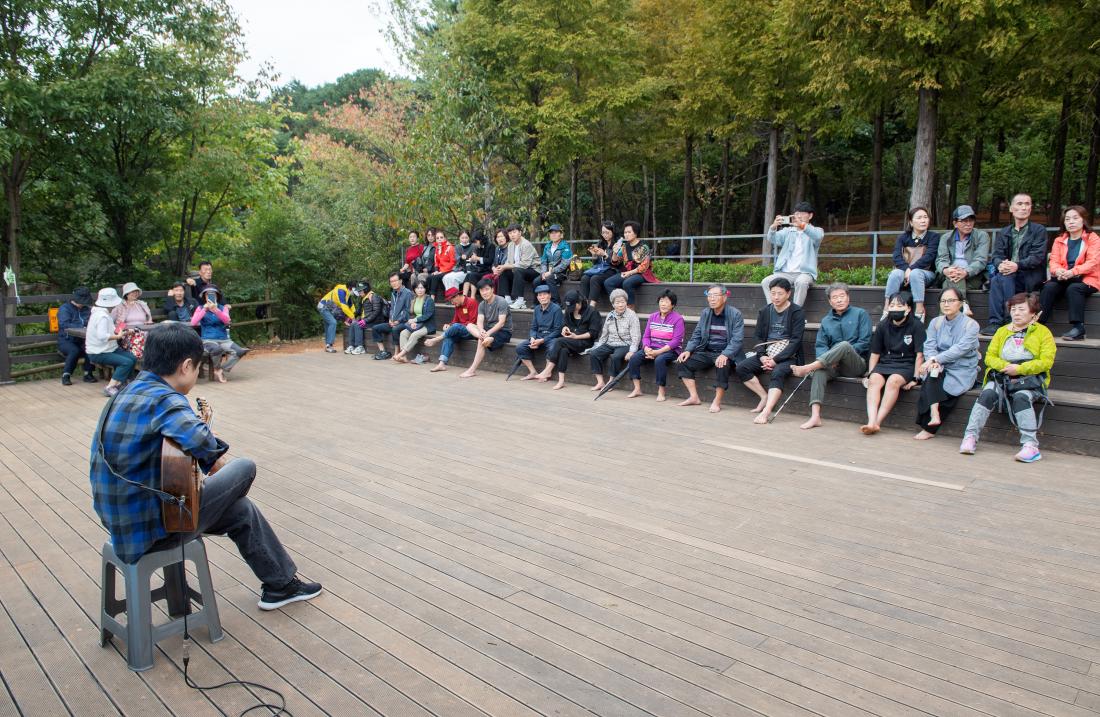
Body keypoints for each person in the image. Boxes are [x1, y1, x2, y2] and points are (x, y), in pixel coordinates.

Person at [89, 321, 321, 610]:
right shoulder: (166, 400)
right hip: (153, 527)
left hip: (119, 520)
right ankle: (281, 584)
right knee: (243, 468)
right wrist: (214, 475)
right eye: (198, 368)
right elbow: (205, 447)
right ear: (186, 366)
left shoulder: (125, 392)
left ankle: (281, 586)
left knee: (240, 510)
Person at [960, 292, 1056, 462]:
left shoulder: (1043, 333)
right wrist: (1005, 367)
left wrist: (1021, 368)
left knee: (1021, 397)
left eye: (1021, 309)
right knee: (987, 394)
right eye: (1013, 309)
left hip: (1030, 380)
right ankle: (970, 437)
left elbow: (1046, 361)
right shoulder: (1002, 331)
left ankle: (1030, 446)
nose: (1016, 313)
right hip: (1001, 376)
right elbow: (990, 357)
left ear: (1033, 312)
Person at [791, 282, 872, 429]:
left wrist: (839, 355)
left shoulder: (861, 314)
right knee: (819, 371)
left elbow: (864, 342)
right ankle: (815, 416)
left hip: (856, 364)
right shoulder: (826, 321)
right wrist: (830, 359)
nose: (839, 300)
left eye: (842, 296)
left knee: (844, 345)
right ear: (830, 301)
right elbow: (821, 345)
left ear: (848, 297)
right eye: (835, 297)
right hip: (833, 365)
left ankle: (809, 367)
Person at [913, 286, 980, 440]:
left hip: (962, 367)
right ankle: (934, 416)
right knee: (933, 376)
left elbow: (960, 349)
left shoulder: (971, 325)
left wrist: (935, 359)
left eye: (951, 300)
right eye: (943, 301)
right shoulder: (936, 322)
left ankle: (930, 427)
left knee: (946, 390)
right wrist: (933, 361)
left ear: (961, 303)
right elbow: (929, 345)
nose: (946, 304)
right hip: (938, 364)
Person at [737, 278, 805, 424]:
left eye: (780, 293)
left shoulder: (797, 312)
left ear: (788, 294)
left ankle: (766, 411)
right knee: (742, 367)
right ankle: (764, 396)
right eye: (773, 293)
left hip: (789, 356)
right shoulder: (765, 311)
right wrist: (762, 356)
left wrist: (775, 360)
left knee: (778, 372)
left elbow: (796, 341)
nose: (776, 297)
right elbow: (759, 337)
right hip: (767, 353)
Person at [861, 292, 926, 435]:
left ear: (908, 308)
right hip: (887, 361)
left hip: (907, 364)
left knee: (893, 381)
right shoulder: (883, 325)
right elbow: (875, 353)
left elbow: (919, 355)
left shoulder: (917, 326)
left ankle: (877, 422)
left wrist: (916, 378)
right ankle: (871, 421)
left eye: (899, 305)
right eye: (892, 305)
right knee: (874, 380)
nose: (895, 308)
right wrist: (871, 373)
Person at [983, 193, 1048, 335]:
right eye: (1019, 204)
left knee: (1002, 278)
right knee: (997, 278)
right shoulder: (1005, 231)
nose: (1023, 207)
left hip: (1030, 276)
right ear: (1011, 208)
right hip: (1008, 275)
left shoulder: (1038, 230)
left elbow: (1037, 257)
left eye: (1027, 204)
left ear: (1030, 208)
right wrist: (1000, 264)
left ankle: (1006, 321)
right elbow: (997, 255)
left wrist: (1016, 265)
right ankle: (996, 322)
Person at [676, 284, 745, 413]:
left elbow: (737, 339)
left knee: (722, 365)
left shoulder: (735, 314)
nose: (712, 299)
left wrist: (725, 354)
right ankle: (694, 397)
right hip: (707, 351)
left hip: (726, 353)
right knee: (683, 362)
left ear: (724, 297)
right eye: (709, 295)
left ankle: (717, 401)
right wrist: (688, 350)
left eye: (715, 295)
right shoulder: (706, 313)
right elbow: (697, 334)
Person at [1039, 205, 1099, 340]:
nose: (1071, 222)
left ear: (1083, 220)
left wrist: (1073, 272)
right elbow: (1053, 261)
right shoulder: (1059, 240)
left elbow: (1093, 262)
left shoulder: (1092, 238)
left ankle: (1078, 328)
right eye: (1067, 219)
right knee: (1049, 287)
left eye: (1075, 218)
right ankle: (1038, 325)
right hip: (1064, 277)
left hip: (1087, 279)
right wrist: (1057, 270)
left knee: (1074, 288)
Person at [535, 290, 602, 389]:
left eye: (572, 306)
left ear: (579, 303)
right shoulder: (569, 310)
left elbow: (593, 333)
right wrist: (564, 328)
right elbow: (565, 324)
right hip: (570, 341)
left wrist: (576, 337)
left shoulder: (592, 312)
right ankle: (561, 381)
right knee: (563, 350)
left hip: (585, 342)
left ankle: (548, 369)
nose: (570, 309)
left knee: (558, 341)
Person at [883, 206, 940, 322]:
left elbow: (929, 257)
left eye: (925, 217)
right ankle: (887, 308)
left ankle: (919, 310)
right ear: (911, 222)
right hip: (906, 273)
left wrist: (911, 269)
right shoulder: (903, 237)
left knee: (915, 273)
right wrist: (906, 270)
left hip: (926, 274)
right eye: (919, 218)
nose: (923, 220)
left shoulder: (934, 237)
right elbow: (897, 257)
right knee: (894, 274)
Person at [626, 288, 685, 401]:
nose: (663, 304)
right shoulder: (653, 316)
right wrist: (647, 348)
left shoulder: (678, 319)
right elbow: (646, 336)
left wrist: (658, 352)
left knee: (659, 360)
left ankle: (661, 391)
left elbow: (676, 341)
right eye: (661, 301)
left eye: (667, 301)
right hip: (652, 348)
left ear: (673, 305)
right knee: (634, 358)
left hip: (670, 350)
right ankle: (637, 389)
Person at [761, 202, 822, 307]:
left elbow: (817, 236)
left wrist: (802, 226)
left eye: (803, 213)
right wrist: (773, 227)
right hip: (785, 273)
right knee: (766, 281)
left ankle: (795, 313)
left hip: (805, 273)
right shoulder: (788, 231)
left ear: (810, 215)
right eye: (797, 213)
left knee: (801, 282)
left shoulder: (817, 231)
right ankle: (773, 310)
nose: (799, 216)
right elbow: (772, 238)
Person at [935, 204, 990, 317]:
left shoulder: (981, 236)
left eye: (971, 220)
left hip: (973, 276)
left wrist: (965, 272)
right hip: (949, 275)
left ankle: (942, 320)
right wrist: (946, 269)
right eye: (964, 221)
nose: (968, 224)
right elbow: (941, 259)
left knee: (950, 285)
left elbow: (980, 260)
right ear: (955, 223)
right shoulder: (946, 238)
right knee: (953, 278)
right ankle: (963, 305)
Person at [190, 285, 249, 382]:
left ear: (217, 296)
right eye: (207, 295)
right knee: (217, 349)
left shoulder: (223, 308)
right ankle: (216, 369)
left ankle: (221, 369)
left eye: (213, 295)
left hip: (224, 339)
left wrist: (216, 310)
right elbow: (193, 322)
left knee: (240, 351)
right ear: (205, 297)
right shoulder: (200, 308)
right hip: (208, 340)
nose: (210, 297)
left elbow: (227, 321)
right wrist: (205, 309)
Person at [86, 288, 137, 397]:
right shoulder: (102, 316)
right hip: (98, 352)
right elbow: (102, 336)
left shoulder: (103, 313)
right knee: (126, 362)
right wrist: (118, 336)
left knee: (132, 357)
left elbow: (113, 329)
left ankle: (127, 383)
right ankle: (110, 387)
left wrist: (126, 332)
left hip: (108, 348)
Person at [458, 279, 514, 378]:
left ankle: (472, 370)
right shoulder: (482, 304)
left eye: (487, 289)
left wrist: (488, 333)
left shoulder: (501, 301)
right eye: (481, 290)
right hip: (489, 330)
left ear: (492, 289)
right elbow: (479, 321)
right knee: (470, 325)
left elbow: (501, 323)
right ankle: (485, 338)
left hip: (504, 331)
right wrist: (481, 330)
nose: (484, 292)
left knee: (481, 340)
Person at [589, 289, 641, 392]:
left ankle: (611, 382)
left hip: (626, 343)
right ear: (613, 304)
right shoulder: (610, 315)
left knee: (615, 357)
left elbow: (636, 335)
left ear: (626, 302)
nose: (620, 305)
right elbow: (605, 333)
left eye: (623, 302)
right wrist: (599, 345)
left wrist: (632, 351)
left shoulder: (632, 315)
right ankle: (600, 382)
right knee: (594, 354)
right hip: (611, 343)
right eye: (617, 302)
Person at [603, 220, 658, 308]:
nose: (626, 234)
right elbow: (615, 262)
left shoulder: (643, 246)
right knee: (608, 282)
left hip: (641, 273)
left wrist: (629, 273)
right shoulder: (624, 247)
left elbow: (643, 267)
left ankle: (630, 308)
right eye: (625, 232)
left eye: (629, 232)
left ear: (635, 233)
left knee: (627, 283)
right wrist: (614, 252)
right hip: (628, 272)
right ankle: (619, 305)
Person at [513, 284, 563, 380]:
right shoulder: (536, 309)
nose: (542, 297)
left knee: (553, 347)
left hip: (551, 337)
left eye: (544, 294)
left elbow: (557, 331)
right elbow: (533, 327)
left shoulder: (556, 309)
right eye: (540, 295)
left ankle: (547, 373)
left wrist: (542, 340)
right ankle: (533, 372)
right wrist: (532, 338)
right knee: (520, 347)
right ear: (537, 297)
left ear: (550, 295)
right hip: (538, 337)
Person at [425, 287, 480, 372]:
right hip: (460, 331)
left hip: (473, 332)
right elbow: (455, 321)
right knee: (449, 337)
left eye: (452, 300)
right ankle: (441, 364)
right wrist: (449, 325)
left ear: (457, 296)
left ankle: (436, 339)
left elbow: (472, 322)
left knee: (456, 326)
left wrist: (454, 326)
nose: (452, 303)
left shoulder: (471, 302)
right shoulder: (457, 305)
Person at [57, 286, 98, 386]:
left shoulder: (87, 309)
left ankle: (88, 373)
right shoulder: (65, 309)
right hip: (67, 339)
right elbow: (64, 324)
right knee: (74, 350)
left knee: (90, 347)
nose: (83, 304)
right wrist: (83, 326)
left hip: (84, 339)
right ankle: (66, 375)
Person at [495, 224, 540, 309]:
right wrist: (502, 267)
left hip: (534, 270)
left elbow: (524, 264)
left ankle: (520, 301)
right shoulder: (511, 245)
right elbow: (509, 261)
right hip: (520, 270)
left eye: (514, 232)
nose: (512, 235)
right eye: (510, 233)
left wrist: (506, 266)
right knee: (503, 270)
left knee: (517, 270)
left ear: (520, 233)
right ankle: (507, 299)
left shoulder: (526, 244)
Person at [391, 281, 436, 364]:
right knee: (403, 333)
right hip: (417, 324)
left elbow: (428, 315)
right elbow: (411, 314)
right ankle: (404, 358)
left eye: (422, 288)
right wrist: (413, 322)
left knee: (414, 334)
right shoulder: (414, 299)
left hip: (427, 325)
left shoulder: (429, 300)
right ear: (415, 289)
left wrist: (415, 320)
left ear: (425, 289)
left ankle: (401, 354)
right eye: (418, 288)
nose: (420, 290)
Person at [371, 273, 413, 360]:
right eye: (391, 281)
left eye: (395, 281)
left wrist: (398, 321)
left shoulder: (407, 293)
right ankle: (383, 352)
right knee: (375, 328)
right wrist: (390, 319)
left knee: (395, 329)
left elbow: (407, 310)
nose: (393, 283)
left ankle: (396, 353)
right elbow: (392, 309)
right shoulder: (393, 293)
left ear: (400, 281)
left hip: (404, 322)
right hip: (393, 322)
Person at [580, 221, 619, 307]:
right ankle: (583, 305)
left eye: (607, 232)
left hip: (612, 269)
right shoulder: (600, 243)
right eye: (603, 232)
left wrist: (605, 255)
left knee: (595, 278)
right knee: (584, 278)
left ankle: (591, 307)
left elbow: (616, 264)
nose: (605, 235)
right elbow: (596, 262)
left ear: (613, 232)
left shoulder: (617, 244)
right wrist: (594, 255)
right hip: (600, 268)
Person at [537, 224, 573, 305]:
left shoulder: (565, 246)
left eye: (556, 232)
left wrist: (551, 271)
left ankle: (556, 303)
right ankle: (537, 303)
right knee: (536, 281)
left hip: (561, 273)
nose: (553, 234)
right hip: (548, 272)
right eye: (551, 233)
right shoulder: (547, 246)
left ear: (561, 234)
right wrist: (543, 272)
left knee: (550, 278)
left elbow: (565, 264)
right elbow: (543, 261)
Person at [317, 280, 356, 353]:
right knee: (333, 322)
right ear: (350, 288)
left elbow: (351, 305)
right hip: (323, 307)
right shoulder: (341, 291)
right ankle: (329, 345)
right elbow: (344, 307)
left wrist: (355, 314)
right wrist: (352, 318)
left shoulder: (347, 293)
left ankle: (327, 345)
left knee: (328, 325)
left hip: (330, 308)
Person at [347, 280, 384, 355]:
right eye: (359, 291)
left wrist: (365, 321)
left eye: (361, 290)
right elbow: (358, 311)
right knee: (353, 324)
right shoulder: (362, 298)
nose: (359, 292)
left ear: (366, 289)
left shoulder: (374, 296)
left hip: (375, 321)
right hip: (367, 320)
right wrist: (351, 317)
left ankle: (360, 347)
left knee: (357, 325)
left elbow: (376, 312)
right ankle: (352, 346)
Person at [460, 231, 492, 297]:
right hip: (479, 269)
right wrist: (473, 260)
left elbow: (490, 261)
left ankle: (472, 297)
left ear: (481, 239)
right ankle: (464, 296)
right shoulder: (478, 247)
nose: (475, 244)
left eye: (476, 242)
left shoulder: (490, 246)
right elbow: (477, 261)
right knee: (468, 275)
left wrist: (477, 258)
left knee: (472, 275)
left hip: (487, 270)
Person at [426, 229, 456, 299]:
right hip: (441, 271)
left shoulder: (450, 248)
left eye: (441, 237)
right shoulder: (437, 249)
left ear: (445, 238)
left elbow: (453, 263)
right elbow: (437, 262)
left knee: (435, 277)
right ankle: (427, 296)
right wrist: (436, 270)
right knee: (429, 277)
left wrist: (441, 272)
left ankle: (432, 298)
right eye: (437, 238)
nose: (439, 239)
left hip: (450, 270)